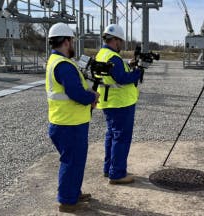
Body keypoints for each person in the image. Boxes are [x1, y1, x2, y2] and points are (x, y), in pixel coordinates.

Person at [45, 22, 99, 212]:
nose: (73, 44)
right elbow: (75, 93)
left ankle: (73, 192)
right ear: (66, 41)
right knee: (72, 162)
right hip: (70, 124)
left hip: (63, 122)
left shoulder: (54, 61)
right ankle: (67, 200)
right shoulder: (64, 65)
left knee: (74, 161)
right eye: (72, 41)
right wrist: (92, 96)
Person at [95, 24, 141, 184]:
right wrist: (137, 73)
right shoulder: (113, 57)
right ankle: (118, 173)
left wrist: (130, 66)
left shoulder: (101, 54)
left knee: (112, 136)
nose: (121, 44)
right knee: (121, 138)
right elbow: (121, 78)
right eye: (120, 41)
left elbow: (115, 73)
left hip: (110, 102)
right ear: (115, 40)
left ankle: (109, 169)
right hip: (121, 103)